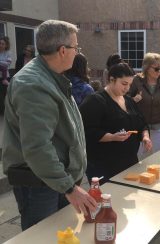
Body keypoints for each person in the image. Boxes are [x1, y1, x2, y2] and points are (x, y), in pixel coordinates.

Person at [2, 20, 97, 231]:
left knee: (60, 234)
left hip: (54, 180)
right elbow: (37, 147)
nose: (77, 52)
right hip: (40, 184)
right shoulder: (34, 84)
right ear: (63, 50)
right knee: (43, 236)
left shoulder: (51, 77)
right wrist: (69, 187)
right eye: (76, 47)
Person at [80, 63, 152, 184]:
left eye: (129, 84)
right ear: (111, 79)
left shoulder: (129, 100)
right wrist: (112, 137)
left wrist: (145, 137)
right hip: (103, 165)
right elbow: (86, 132)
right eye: (124, 84)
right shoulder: (95, 101)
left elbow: (142, 123)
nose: (127, 88)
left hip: (129, 162)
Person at [0, 36, 12, 114]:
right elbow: (5, 63)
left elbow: (8, 64)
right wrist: (2, 62)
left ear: (6, 45)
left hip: (5, 77)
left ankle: (5, 111)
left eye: (2, 44)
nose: (0, 45)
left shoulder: (8, 53)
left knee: (5, 95)